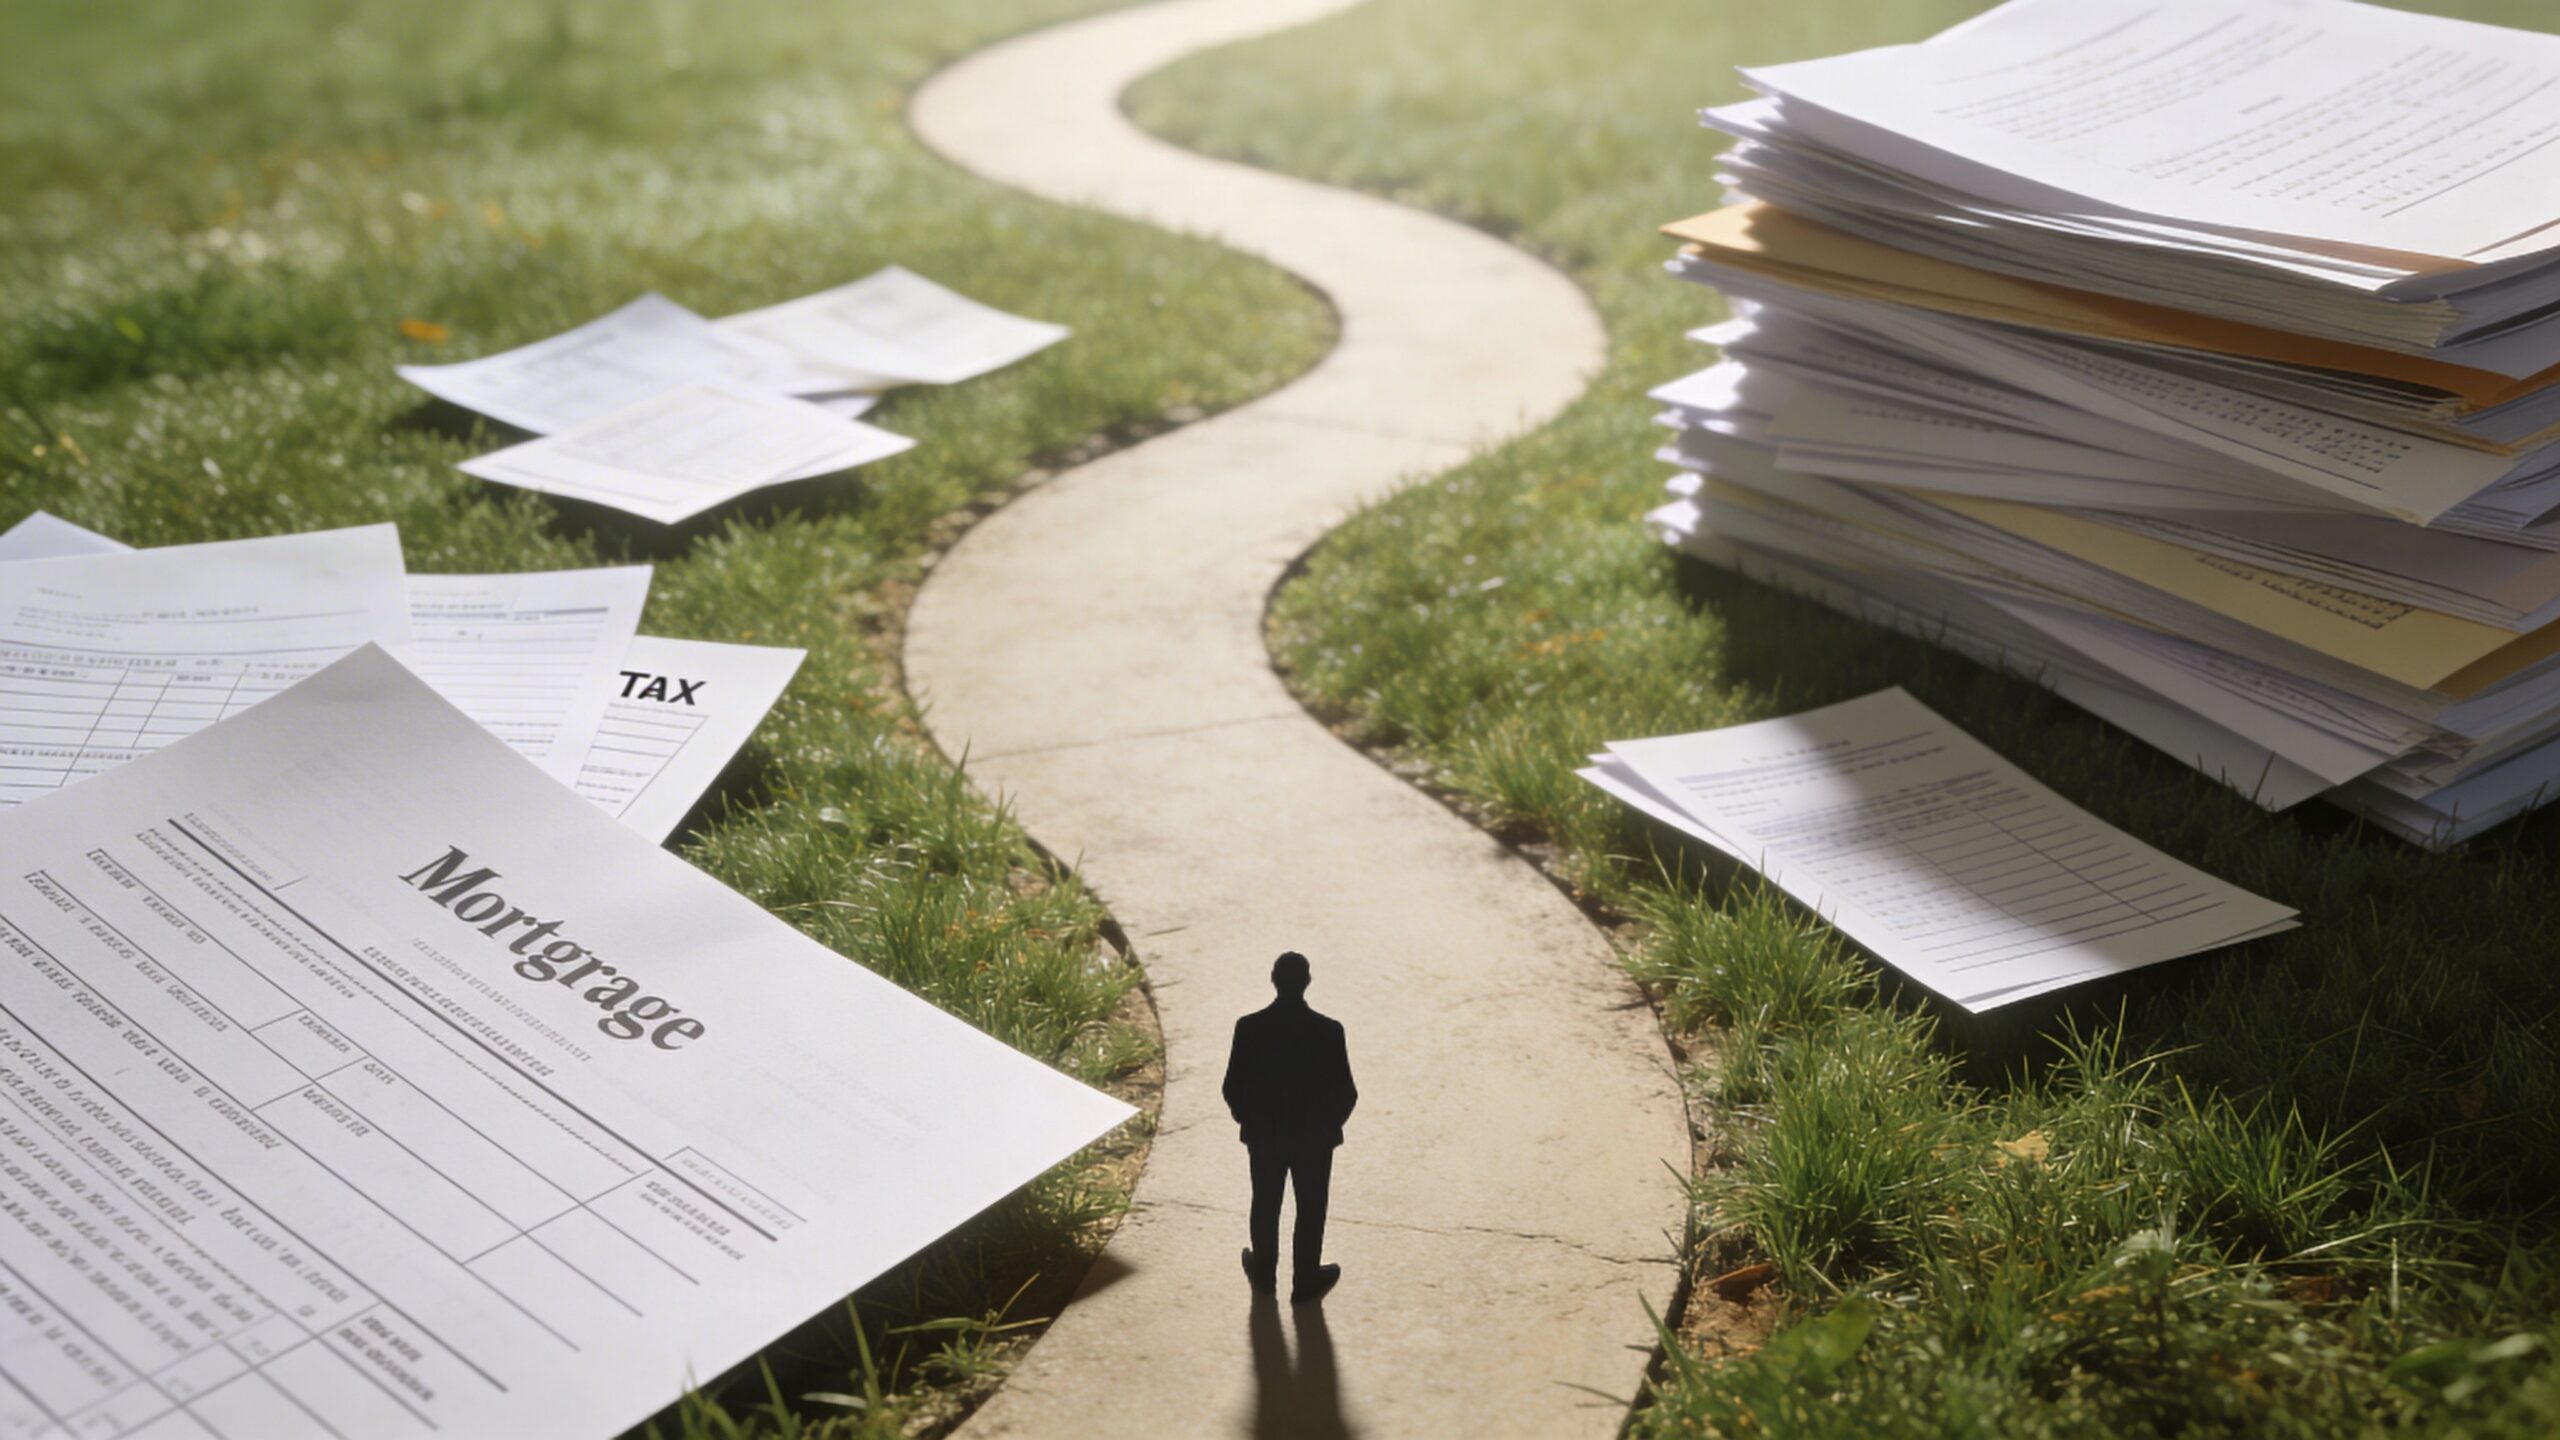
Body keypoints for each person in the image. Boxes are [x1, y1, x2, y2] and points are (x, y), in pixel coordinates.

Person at [1222, 950, 1357, 1304]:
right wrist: (1329, 1127)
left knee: (1265, 1202)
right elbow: (1346, 1091)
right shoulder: (1329, 1031)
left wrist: (1249, 1121)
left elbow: (1232, 1087)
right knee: (1311, 1208)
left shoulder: (1248, 1027)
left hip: (1265, 1136)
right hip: (1314, 1138)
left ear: (1273, 979)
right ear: (1307, 981)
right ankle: (1306, 1278)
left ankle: (1264, 1272)